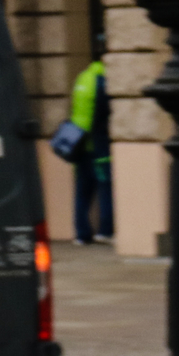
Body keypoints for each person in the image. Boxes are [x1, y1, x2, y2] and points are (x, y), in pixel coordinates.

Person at [69, 47, 114, 245]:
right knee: (105, 187)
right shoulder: (103, 81)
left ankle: (81, 233)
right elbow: (104, 113)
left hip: (80, 145)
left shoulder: (83, 77)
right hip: (99, 145)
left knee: (82, 192)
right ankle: (105, 230)